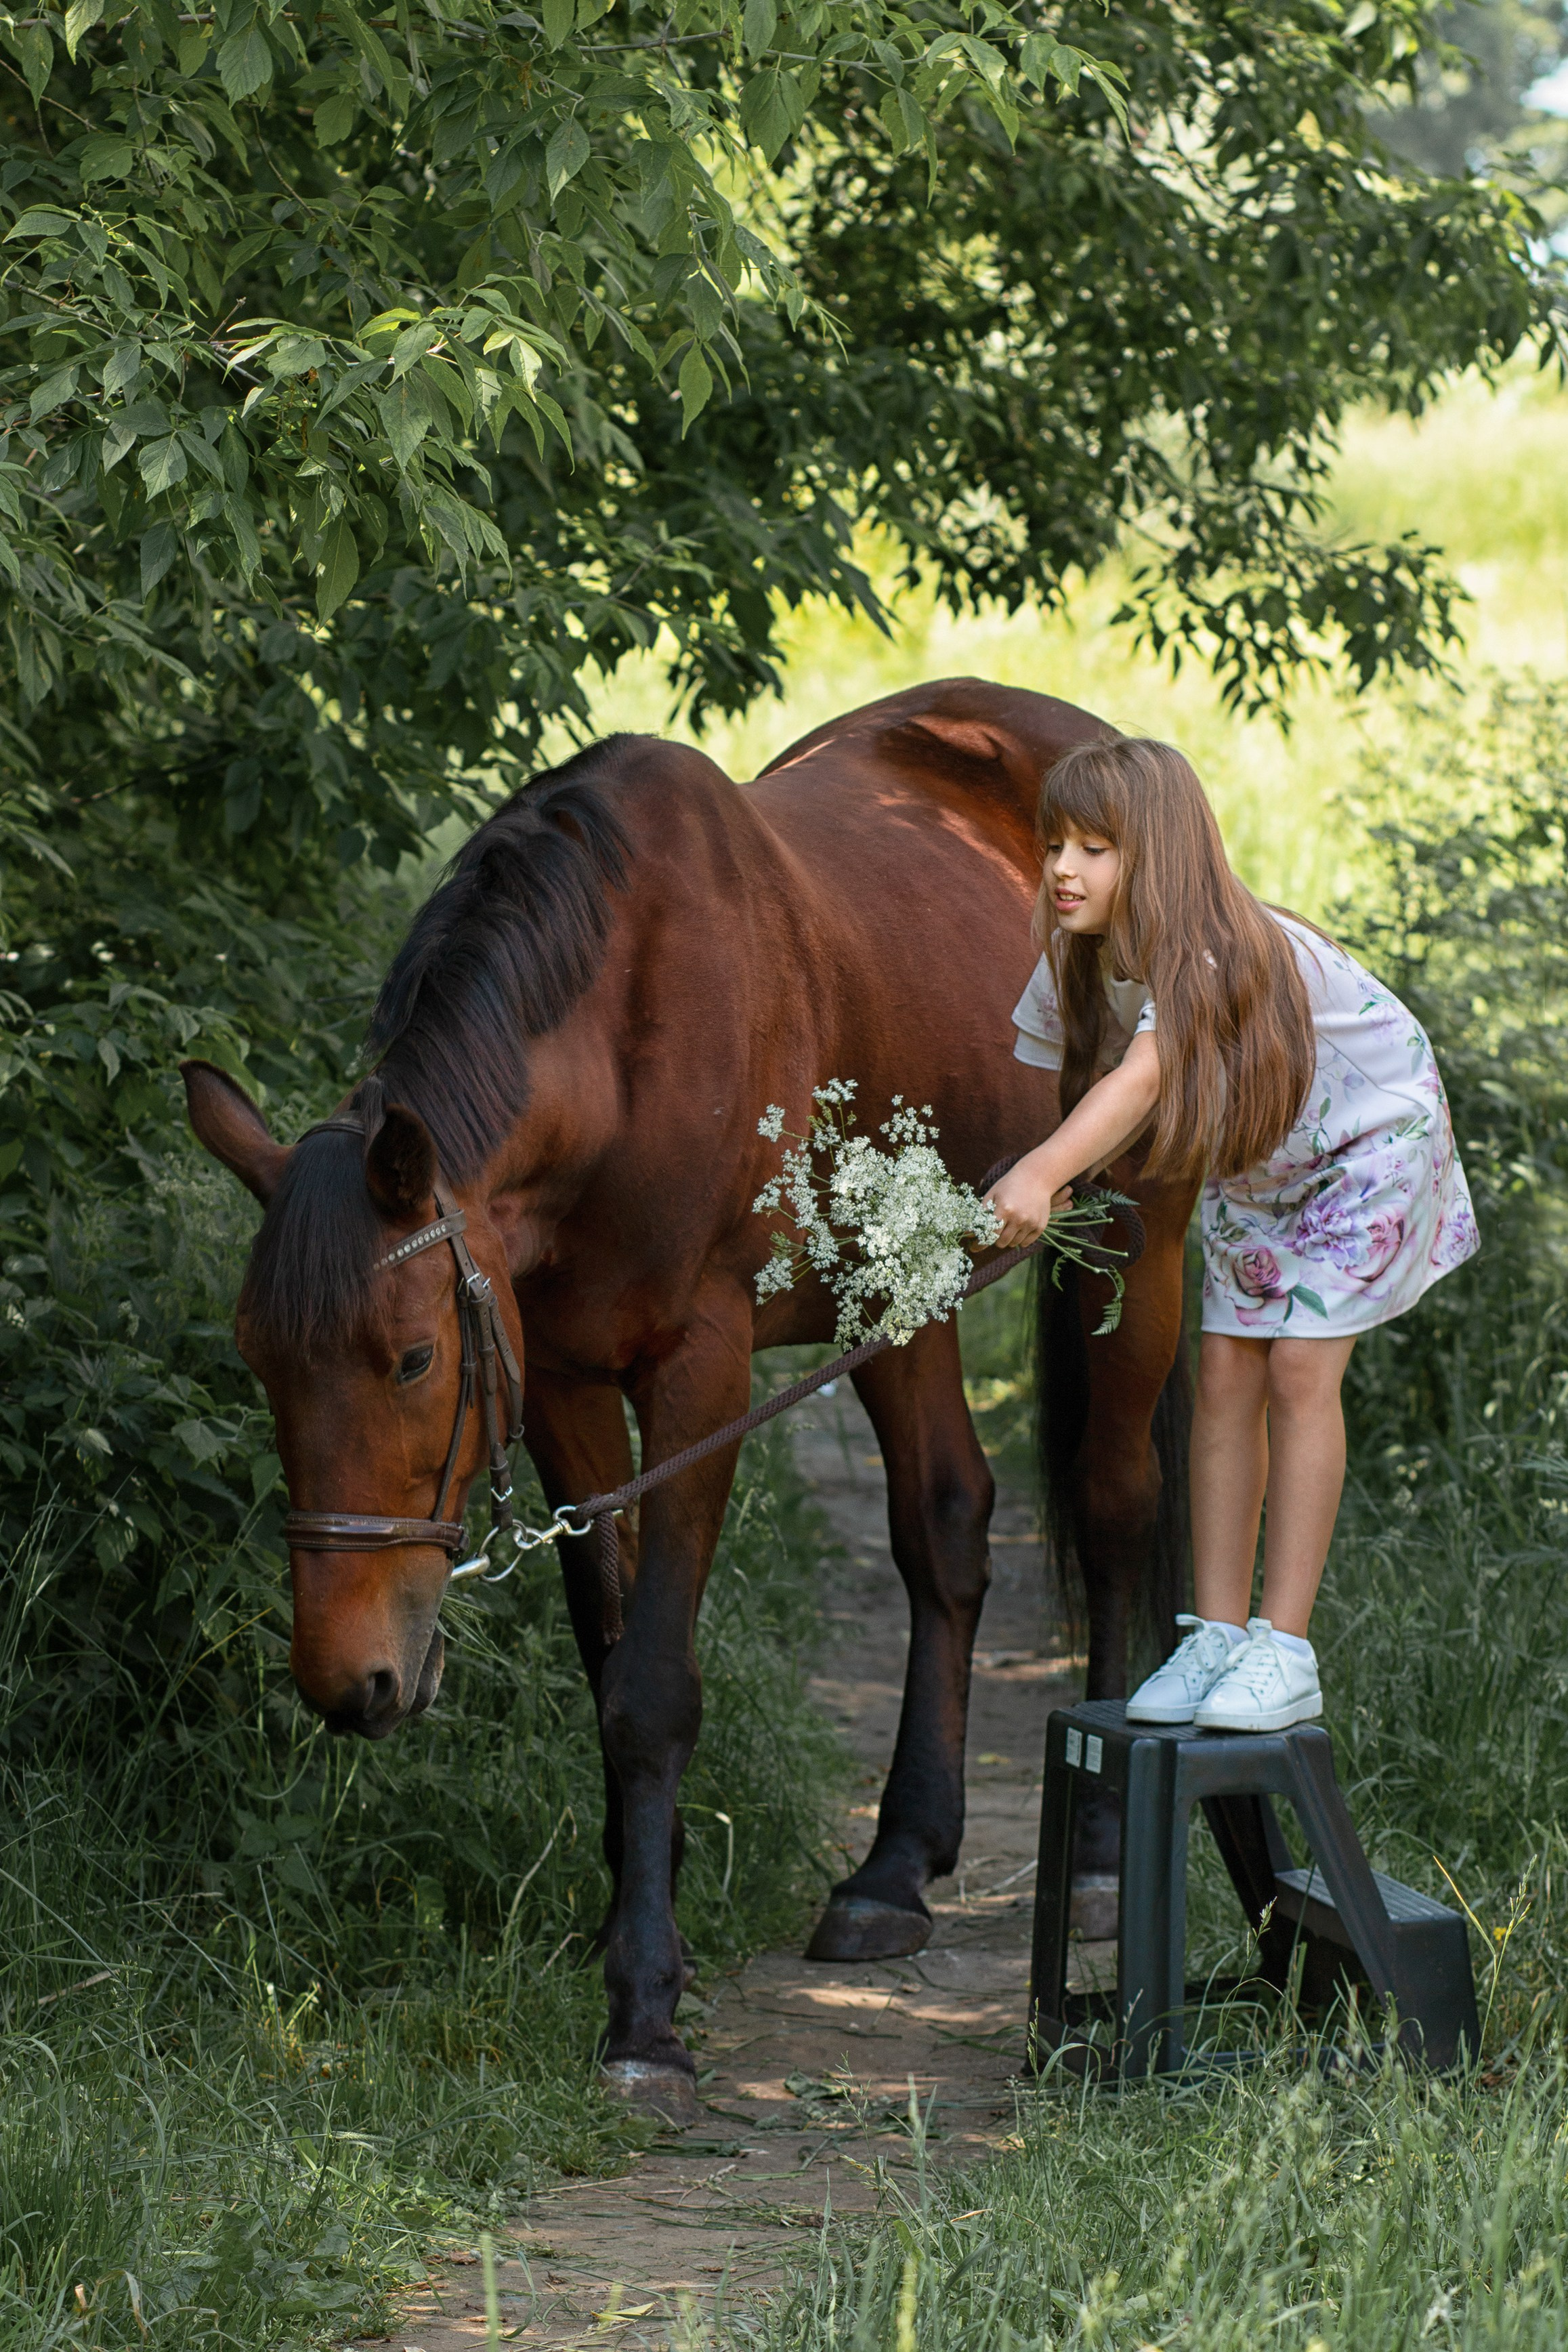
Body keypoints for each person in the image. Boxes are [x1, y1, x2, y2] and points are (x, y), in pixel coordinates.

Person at [986, 738, 1479, 1734]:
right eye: (1054, 847)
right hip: (1257, 1157)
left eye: (1096, 848)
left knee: (1299, 1369)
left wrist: (1039, 1172)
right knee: (1223, 1379)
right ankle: (1214, 1634)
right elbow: (1084, 1088)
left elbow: (1143, 1082)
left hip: (1367, 1136)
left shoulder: (1214, 945)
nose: (1065, 871)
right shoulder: (1074, 962)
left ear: (1158, 854)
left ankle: (1283, 1648)